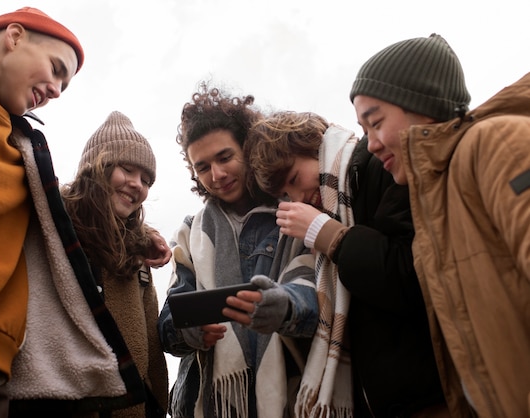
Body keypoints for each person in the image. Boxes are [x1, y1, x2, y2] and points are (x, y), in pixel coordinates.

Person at [0, 8, 156, 418]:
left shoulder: (31, 150)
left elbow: (73, 220)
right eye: (56, 70)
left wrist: (141, 236)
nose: (57, 90)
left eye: (65, 85)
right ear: (16, 36)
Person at [350, 33, 530, 417]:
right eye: (363, 132)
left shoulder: (494, 143)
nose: (370, 144)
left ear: (423, 104)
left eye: (376, 122)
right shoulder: (435, 207)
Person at [246, 111, 449, 417]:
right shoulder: (331, 207)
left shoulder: (380, 166)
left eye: (293, 179)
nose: (298, 197)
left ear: (312, 145)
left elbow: (409, 275)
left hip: (429, 395)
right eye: (285, 195)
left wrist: (327, 235)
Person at [157, 84, 319, 418]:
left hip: (293, 397)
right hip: (209, 405)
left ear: (247, 148)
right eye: (202, 167)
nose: (216, 175)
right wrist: (189, 330)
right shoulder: (189, 233)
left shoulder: (296, 211)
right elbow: (168, 325)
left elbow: (318, 295)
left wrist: (285, 305)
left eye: (225, 157)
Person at [7, 111, 169, 417]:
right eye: (128, 170)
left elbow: (150, 347)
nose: (137, 185)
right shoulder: (52, 227)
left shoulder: (138, 255)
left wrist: (159, 406)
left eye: (146, 180)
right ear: (99, 166)